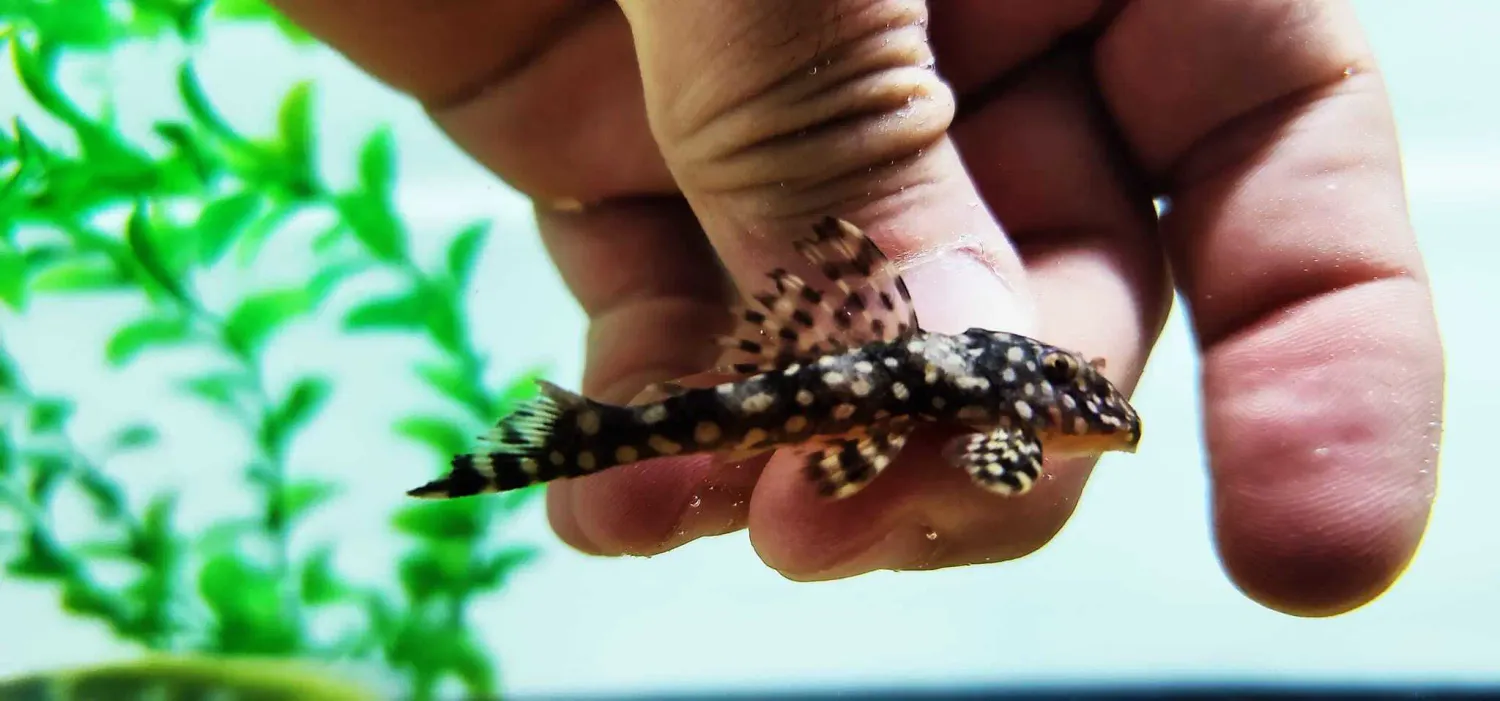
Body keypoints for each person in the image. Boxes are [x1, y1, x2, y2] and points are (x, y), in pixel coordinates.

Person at [270, 0, 1444, 618]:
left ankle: (584, 439)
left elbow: (992, 463)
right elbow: (992, 462)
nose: (1102, 406)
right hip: (833, 383)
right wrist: (829, 141)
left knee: (726, 460)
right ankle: (584, 440)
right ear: (1037, 396)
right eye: (1084, 396)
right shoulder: (1001, 397)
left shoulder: (1014, 411)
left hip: (804, 386)